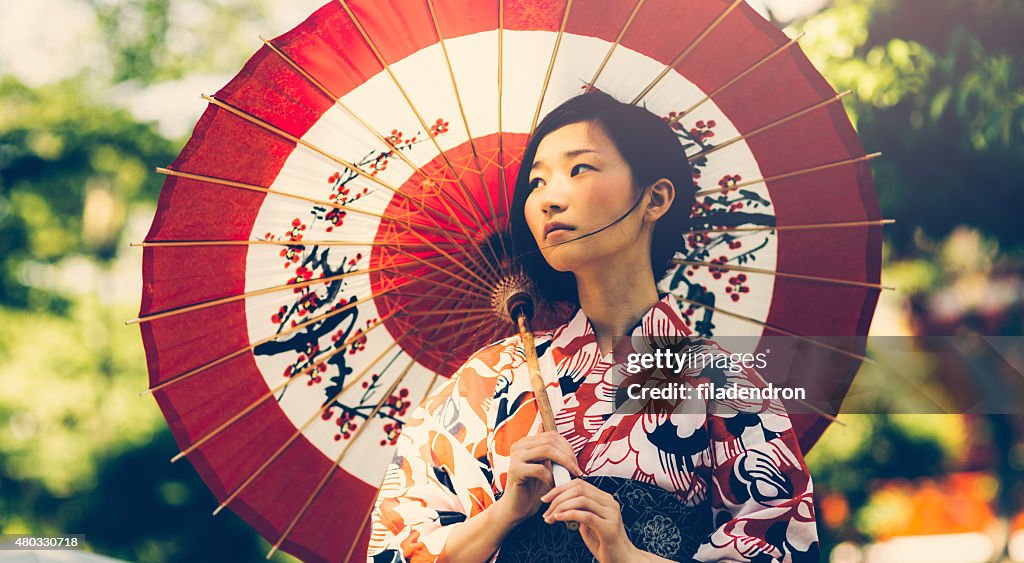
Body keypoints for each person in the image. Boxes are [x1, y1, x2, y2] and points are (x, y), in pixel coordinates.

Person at [367, 92, 819, 562]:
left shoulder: (723, 383)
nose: (548, 199)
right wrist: (506, 512)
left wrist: (626, 555)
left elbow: (782, 550)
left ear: (656, 197)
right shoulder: (487, 380)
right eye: (536, 182)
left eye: (579, 169)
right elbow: (395, 550)